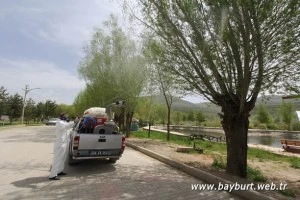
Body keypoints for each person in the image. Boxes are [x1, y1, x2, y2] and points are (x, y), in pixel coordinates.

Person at [49, 113, 74, 180]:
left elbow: (69, 129)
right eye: (66, 116)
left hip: (65, 143)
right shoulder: (59, 122)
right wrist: (75, 122)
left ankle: (59, 171)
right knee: (57, 159)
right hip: (60, 144)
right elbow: (66, 126)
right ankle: (52, 175)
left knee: (63, 158)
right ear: (62, 117)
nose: (67, 117)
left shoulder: (64, 122)